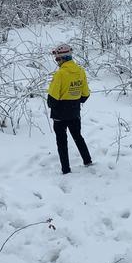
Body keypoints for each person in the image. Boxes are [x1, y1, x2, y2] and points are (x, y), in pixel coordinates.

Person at [47, 44, 92, 174]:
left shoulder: (60, 74)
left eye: (57, 59)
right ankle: (87, 160)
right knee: (78, 136)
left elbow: (52, 99)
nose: (57, 62)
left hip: (59, 114)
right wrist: (75, 100)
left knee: (61, 142)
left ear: (62, 59)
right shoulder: (80, 71)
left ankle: (66, 169)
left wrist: (54, 105)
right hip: (74, 111)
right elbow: (85, 94)